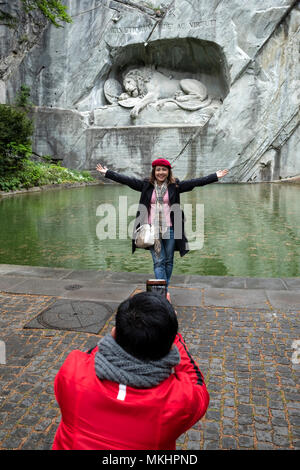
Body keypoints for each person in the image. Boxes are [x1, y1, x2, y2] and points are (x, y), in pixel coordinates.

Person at [52, 291, 210, 450]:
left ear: (114, 333)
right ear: (170, 346)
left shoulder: (72, 371)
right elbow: (197, 383)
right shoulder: (180, 402)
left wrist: (126, 330)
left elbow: (97, 352)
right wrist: (170, 333)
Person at [96, 159, 228, 297]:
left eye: (164, 170)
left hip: (171, 229)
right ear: (154, 171)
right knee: (159, 262)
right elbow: (127, 180)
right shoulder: (146, 185)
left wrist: (214, 176)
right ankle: (162, 293)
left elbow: (195, 182)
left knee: (169, 260)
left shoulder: (175, 185)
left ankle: (164, 289)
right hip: (152, 230)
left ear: (168, 171)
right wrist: (108, 173)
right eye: (158, 170)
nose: (161, 172)